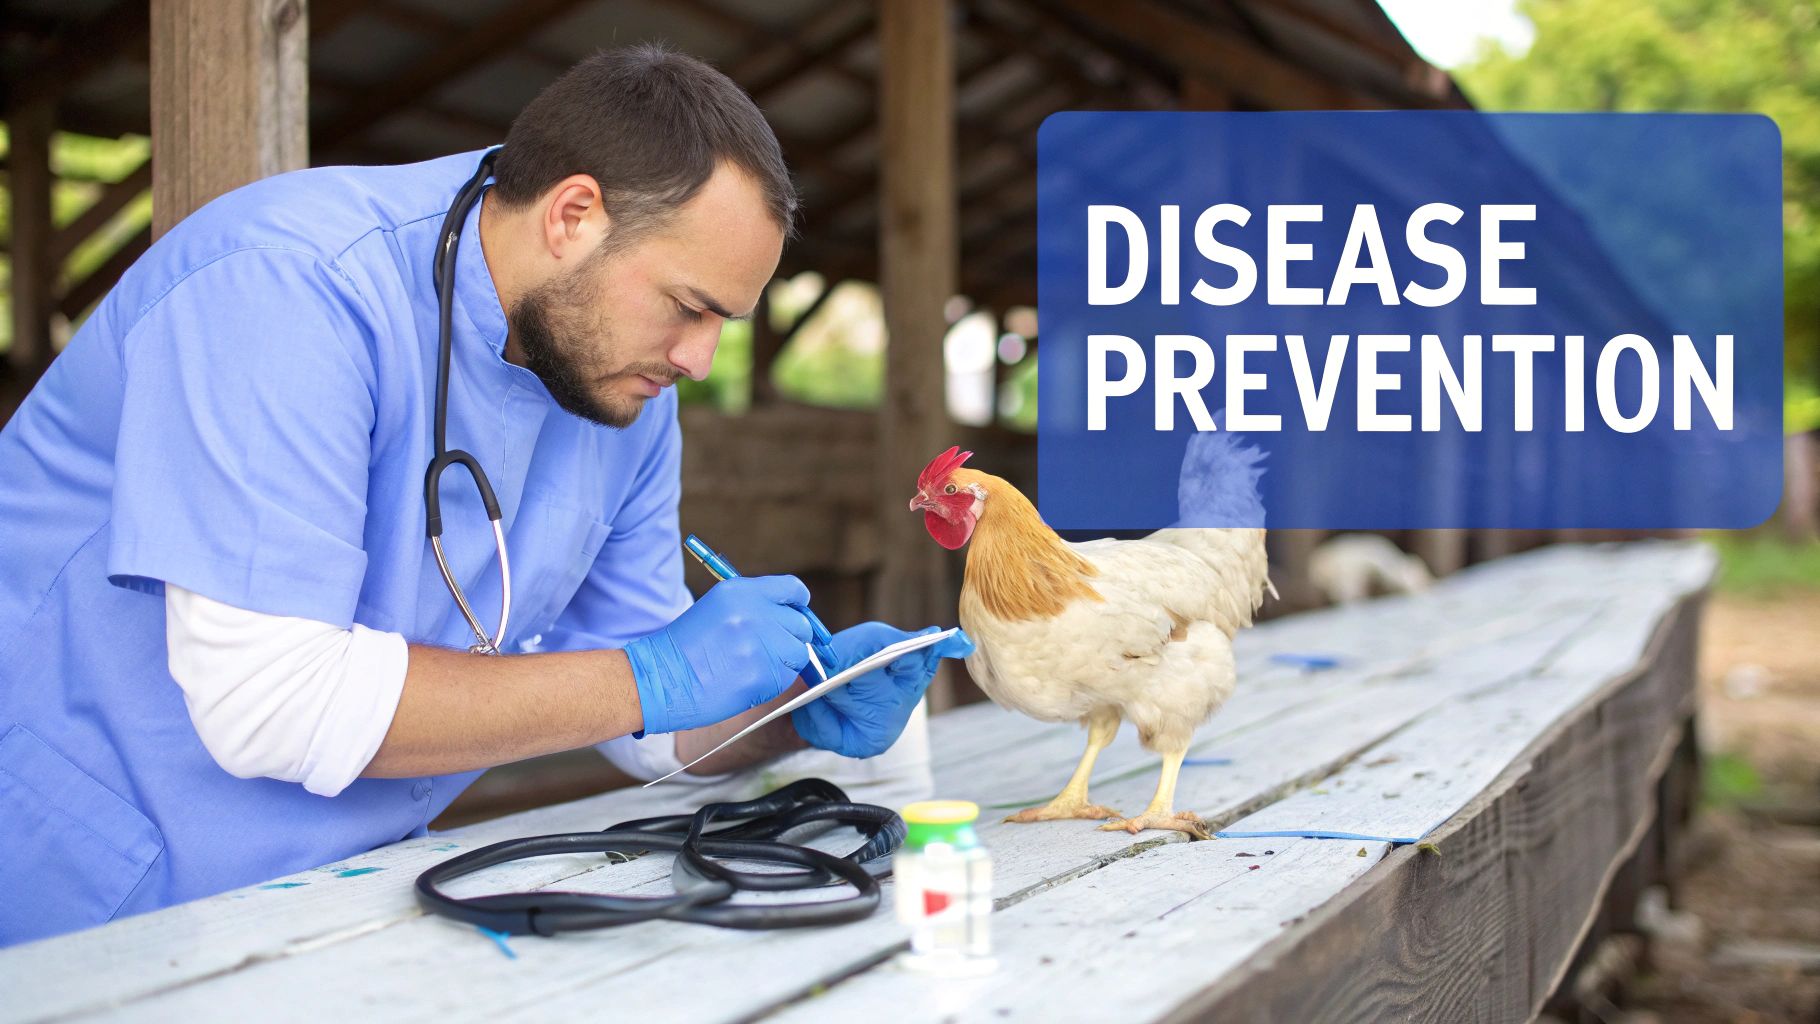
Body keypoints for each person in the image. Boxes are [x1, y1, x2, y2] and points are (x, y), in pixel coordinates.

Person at [0, 44, 970, 947]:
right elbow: (273, 699)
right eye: (688, 306)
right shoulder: (287, 285)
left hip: (334, 899)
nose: (699, 360)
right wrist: (652, 676)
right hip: (84, 892)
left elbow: (647, 723)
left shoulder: (625, 396)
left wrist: (791, 707)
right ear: (572, 215)